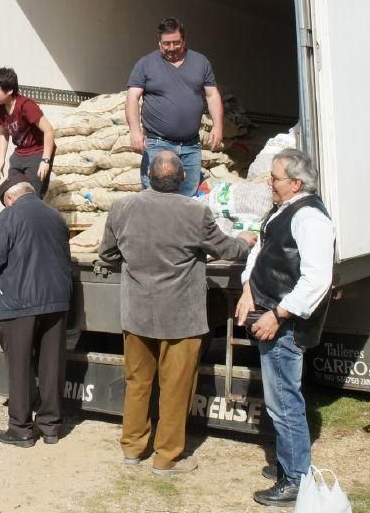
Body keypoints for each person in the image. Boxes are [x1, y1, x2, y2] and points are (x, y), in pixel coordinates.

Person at [99, 151, 255, 474]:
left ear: (148, 176)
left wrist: (134, 266)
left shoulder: (121, 208)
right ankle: (167, 457)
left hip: (137, 314)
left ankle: (132, 448)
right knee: (176, 386)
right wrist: (246, 241)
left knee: (137, 382)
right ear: (184, 178)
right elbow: (226, 249)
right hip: (181, 319)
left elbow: (107, 255)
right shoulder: (195, 212)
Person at [235, 148, 335, 507]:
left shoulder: (311, 219)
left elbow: (317, 280)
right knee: (279, 398)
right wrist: (248, 289)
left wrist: (278, 314)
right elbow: (260, 252)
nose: (269, 182)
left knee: (284, 402)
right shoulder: (283, 211)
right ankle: (288, 462)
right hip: (268, 314)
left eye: (275, 177)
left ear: (294, 183)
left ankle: (295, 479)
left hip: (284, 326)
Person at [0, 177, 72, 447]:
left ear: (9, 198)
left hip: (19, 303)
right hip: (56, 302)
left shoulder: (9, 216)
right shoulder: (56, 216)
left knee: (19, 367)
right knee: (52, 365)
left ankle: (20, 429)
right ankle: (51, 427)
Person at [126, 17, 224, 196]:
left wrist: (217, 126)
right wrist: (135, 130)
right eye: (166, 44)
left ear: (184, 40)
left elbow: (212, 95)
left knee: (189, 196)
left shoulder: (200, 62)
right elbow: (132, 97)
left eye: (176, 43)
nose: (171, 48)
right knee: (155, 195)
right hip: (157, 143)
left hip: (191, 146)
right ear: (159, 42)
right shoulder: (146, 64)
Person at [0, 67, 56, 197]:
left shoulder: (26, 105)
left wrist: (45, 160)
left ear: (9, 90)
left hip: (37, 152)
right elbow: (4, 132)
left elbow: (48, 130)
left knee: (31, 196)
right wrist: (1, 159)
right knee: (11, 193)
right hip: (19, 155)